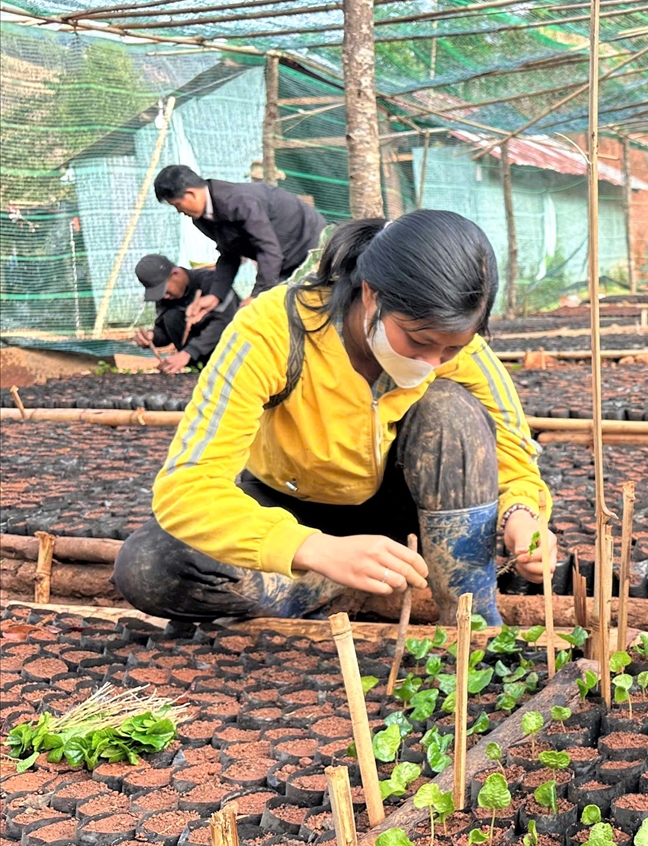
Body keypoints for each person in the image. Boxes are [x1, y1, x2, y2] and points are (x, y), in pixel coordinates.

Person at [112, 210, 555, 631]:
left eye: (451, 349)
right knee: (152, 568)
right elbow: (187, 486)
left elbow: (516, 457)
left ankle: (471, 621)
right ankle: (337, 580)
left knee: (449, 408)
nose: (433, 361)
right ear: (371, 294)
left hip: (407, 514)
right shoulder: (271, 331)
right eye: (418, 342)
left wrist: (521, 515)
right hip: (291, 507)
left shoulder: (460, 348)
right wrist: (313, 549)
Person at [153, 165, 327, 319]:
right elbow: (229, 254)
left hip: (311, 247)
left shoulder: (239, 201)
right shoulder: (202, 218)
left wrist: (258, 294)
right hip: (282, 258)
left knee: (298, 313)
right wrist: (215, 295)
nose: (179, 211)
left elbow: (268, 249)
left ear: (191, 194)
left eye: (177, 204)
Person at [132, 254, 239, 374]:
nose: (165, 296)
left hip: (236, 354)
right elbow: (165, 331)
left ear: (175, 273)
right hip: (200, 360)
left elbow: (225, 322)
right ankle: (200, 370)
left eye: (164, 290)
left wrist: (188, 353)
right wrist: (152, 337)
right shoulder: (166, 298)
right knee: (170, 316)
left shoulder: (212, 282)